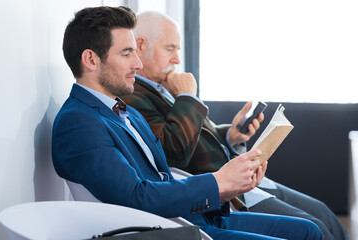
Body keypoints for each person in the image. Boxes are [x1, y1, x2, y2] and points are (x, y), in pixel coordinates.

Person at [52, 6, 323, 240]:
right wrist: (219, 182)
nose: (137, 63)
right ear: (90, 60)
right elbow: (136, 196)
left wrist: (229, 186)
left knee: (309, 230)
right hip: (168, 230)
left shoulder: (126, 112)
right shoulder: (78, 122)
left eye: (136, 51)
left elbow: (165, 175)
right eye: (126, 53)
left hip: (196, 216)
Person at [121, 11, 349, 240]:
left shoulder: (165, 86)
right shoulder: (134, 96)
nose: (177, 60)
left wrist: (231, 135)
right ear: (140, 46)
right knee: (314, 225)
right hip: (225, 193)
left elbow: (198, 135)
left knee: (323, 212)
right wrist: (188, 97)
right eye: (170, 48)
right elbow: (173, 150)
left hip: (241, 177)